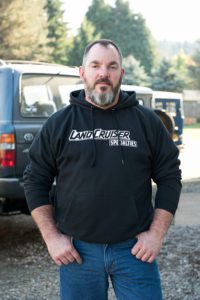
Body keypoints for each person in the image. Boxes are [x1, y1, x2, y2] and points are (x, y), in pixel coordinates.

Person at [23, 39, 182, 300]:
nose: (103, 73)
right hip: (77, 254)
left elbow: (170, 176)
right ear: (82, 71)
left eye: (112, 66)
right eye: (95, 65)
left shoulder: (147, 123)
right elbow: (34, 180)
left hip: (135, 252)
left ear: (121, 73)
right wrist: (52, 238)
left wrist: (156, 235)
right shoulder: (59, 124)